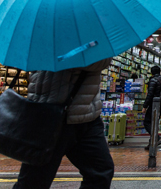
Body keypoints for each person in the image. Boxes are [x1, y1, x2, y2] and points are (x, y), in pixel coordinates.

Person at [13, 59, 114, 189]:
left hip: (87, 116)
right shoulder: (55, 42)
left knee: (101, 172)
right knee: (34, 181)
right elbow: (99, 62)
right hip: (52, 115)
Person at [142, 65, 161, 150]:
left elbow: (150, 95)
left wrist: (145, 106)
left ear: (152, 73)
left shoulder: (153, 80)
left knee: (147, 122)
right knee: (154, 123)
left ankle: (157, 138)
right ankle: (151, 143)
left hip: (154, 104)